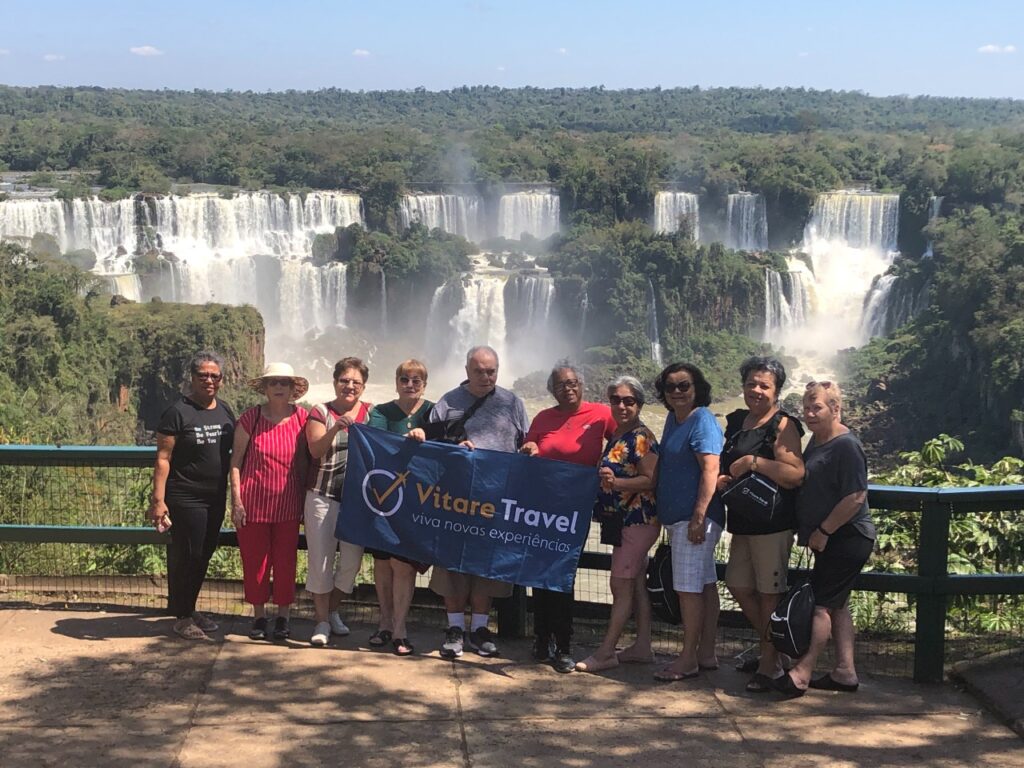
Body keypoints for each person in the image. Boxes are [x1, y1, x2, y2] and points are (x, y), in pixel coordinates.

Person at [409, 345, 529, 659]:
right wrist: (451, 447)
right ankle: (454, 628)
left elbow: (525, 441)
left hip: (495, 499)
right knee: (452, 565)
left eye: (491, 371)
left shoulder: (512, 403)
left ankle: (479, 628)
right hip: (455, 500)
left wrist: (531, 449)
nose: (485, 376)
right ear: (466, 371)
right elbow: (430, 447)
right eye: (479, 371)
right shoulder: (448, 402)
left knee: (486, 567)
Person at [776, 381, 875, 698]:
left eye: (816, 407)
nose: (808, 413)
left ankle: (802, 672)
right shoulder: (818, 441)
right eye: (805, 407)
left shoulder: (846, 445)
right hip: (833, 538)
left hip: (845, 538)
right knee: (838, 604)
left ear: (835, 408)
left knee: (821, 606)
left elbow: (856, 496)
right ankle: (845, 672)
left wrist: (824, 531)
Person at [520, 361, 616, 673]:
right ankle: (541, 639)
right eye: (561, 384)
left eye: (573, 382)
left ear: (582, 385)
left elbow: (626, 440)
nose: (568, 387)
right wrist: (531, 446)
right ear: (552, 389)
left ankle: (563, 644)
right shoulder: (544, 417)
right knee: (539, 571)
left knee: (563, 573)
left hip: (575, 507)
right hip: (540, 506)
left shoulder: (601, 414)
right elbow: (530, 445)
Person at [718, 357, 805, 692]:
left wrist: (754, 462)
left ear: (777, 390)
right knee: (738, 584)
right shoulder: (740, 421)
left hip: (772, 523)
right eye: (751, 383)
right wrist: (728, 476)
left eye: (764, 385)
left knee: (770, 594)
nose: (756, 390)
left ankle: (770, 666)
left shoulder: (783, 426)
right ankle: (777, 649)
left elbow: (795, 474)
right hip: (742, 521)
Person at [574, 376, 660, 674]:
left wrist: (617, 481)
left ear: (639, 403)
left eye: (629, 401)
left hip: (638, 520)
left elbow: (652, 480)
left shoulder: (641, 436)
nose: (621, 406)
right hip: (624, 520)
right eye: (616, 400)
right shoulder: (620, 434)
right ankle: (643, 646)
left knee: (619, 584)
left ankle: (606, 651)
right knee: (635, 583)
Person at [148, 351, 236, 641]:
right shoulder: (177, 412)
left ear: (221, 380)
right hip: (185, 496)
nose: (208, 380)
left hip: (214, 497)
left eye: (214, 376)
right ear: (193, 378)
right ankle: (183, 617)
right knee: (190, 553)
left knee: (205, 553)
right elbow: (163, 458)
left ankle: (190, 608)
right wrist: (158, 500)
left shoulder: (225, 411)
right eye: (203, 375)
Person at [653, 362, 725, 682]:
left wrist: (698, 516)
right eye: (671, 387)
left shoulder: (703, 420)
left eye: (684, 386)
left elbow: (711, 469)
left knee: (687, 591)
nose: (678, 392)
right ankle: (706, 653)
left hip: (693, 521)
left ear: (697, 388)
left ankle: (687, 659)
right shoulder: (673, 418)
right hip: (681, 518)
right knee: (705, 586)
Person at [229, 362, 309, 642]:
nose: (278, 387)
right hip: (253, 504)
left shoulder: (302, 418)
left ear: (292, 389)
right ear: (264, 388)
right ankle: (259, 616)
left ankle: (284, 617)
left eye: (284, 383)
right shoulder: (250, 418)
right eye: (273, 382)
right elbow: (236, 462)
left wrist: (304, 504)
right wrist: (236, 501)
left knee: (286, 562)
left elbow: (306, 462)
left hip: (288, 505)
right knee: (255, 563)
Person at [364, 359, 434, 657]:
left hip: (416, 499)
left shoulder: (433, 411)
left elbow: (446, 441)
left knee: (403, 565)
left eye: (416, 380)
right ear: (396, 382)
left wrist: (426, 436)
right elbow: (376, 442)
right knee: (383, 564)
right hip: (383, 498)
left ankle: (400, 628)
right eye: (404, 379)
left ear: (424, 384)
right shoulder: (380, 412)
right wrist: (406, 439)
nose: (410, 384)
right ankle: (384, 622)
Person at [304, 357, 372, 648]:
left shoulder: (371, 414)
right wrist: (336, 428)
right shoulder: (320, 411)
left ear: (363, 386)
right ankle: (321, 621)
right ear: (335, 382)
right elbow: (315, 450)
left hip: (356, 501)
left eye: (356, 381)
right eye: (345, 380)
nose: (350, 386)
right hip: (322, 496)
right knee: (320, 562)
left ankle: (332, 610)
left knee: (351, 564)